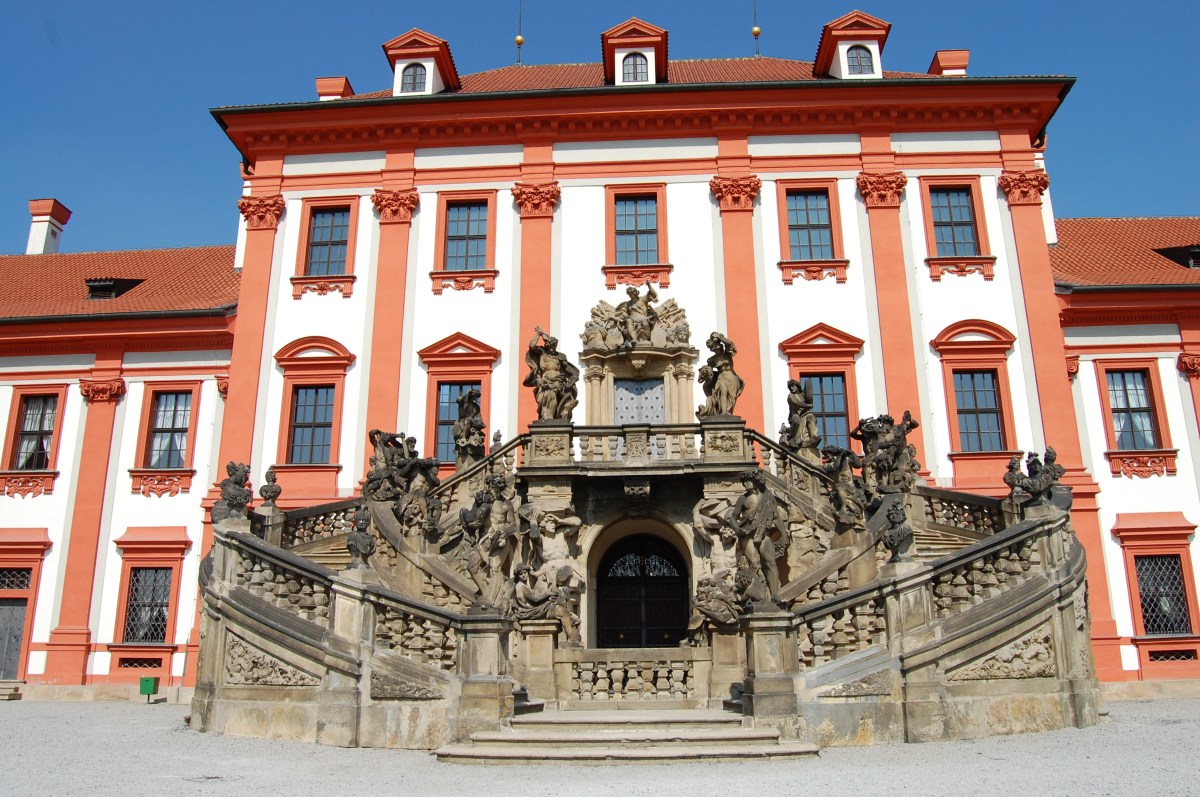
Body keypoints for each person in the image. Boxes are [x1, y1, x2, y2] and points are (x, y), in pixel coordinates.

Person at [725, 470, 785, 604]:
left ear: (756, 481)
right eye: (744, 482)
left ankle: (775, 594)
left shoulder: (768, 497)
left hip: (764, 534)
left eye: (748, 481)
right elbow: (733, 517)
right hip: (747, 535)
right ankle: (760, 592)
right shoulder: (743, 499)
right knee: (755, 563)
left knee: (771, 562)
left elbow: (776, 517)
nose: (745, 484)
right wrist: (736, 528)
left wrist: (784, 534)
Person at [523, 326, 580, 420]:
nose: (554, 348)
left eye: (555, 346)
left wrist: (569, 383)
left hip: (559, 381)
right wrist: (538, 334)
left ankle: (560, 415)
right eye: (552, 346)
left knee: (566, 401)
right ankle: (548, 418)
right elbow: (532, 346)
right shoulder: (542, 353)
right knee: (550, 398)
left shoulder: (560, 356)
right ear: (547, 345)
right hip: (546, 381)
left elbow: (571, 371)